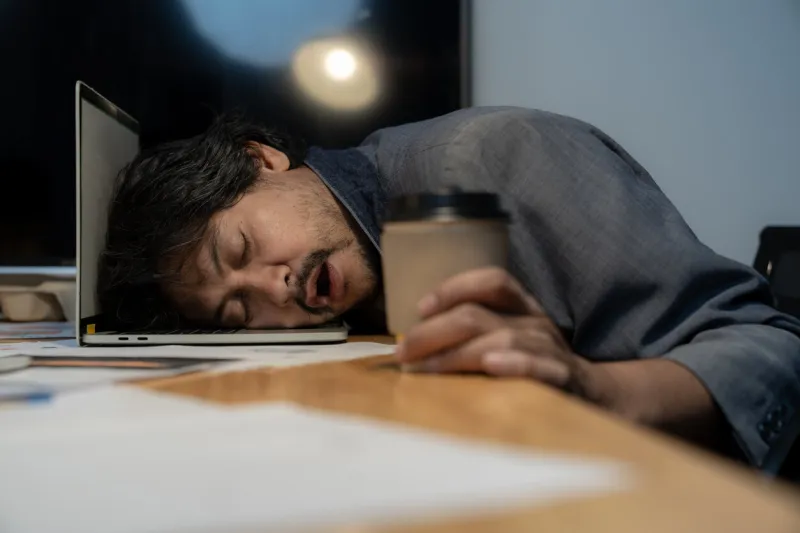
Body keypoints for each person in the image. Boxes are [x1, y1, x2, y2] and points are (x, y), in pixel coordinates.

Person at [100, 107, 800, 471]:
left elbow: (773, 346)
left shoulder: (500, 157)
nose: (273, 290)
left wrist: (596, 388)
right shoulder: (352, 266)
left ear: (262, 159)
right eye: (237, 309)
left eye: (242, 249)